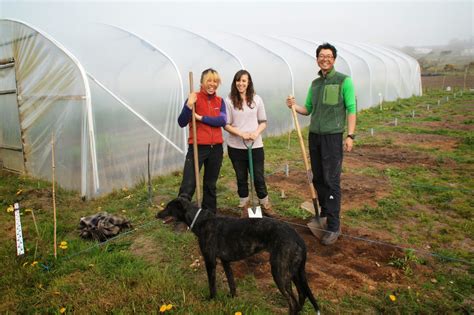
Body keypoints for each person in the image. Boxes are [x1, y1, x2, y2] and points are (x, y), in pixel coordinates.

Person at [286, 43, 356, 245]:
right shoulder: (315, 84)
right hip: (314, 136)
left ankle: (334, 225)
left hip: (333, 138)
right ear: (317, 59)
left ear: (334, 59)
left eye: (329, 56)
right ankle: (324, 215)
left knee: (331, 179)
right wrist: (294, 106)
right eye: (321, 56)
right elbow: (308, 109)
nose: (325, 59)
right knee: (317, 178)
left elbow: (351, 109)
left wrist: (350, 136)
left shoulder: (344, 81)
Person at [224, 70, 274, 218]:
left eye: (244, 81)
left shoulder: (257, 99)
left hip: (255, 145)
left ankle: (265, 204)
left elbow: (263, 122)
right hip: (236, 147)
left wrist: (255, 133)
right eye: (238, 81)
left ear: (249, 82)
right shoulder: (229, 101)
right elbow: (226, 124)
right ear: (235, 82)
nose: (241, 84)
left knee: (258, 177)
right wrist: (242, 134)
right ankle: (244, 205)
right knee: (241, 177)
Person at [177, 68, 226, 213]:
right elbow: (181, 122)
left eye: (215, 81)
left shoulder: (220, 101)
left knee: (210, 184)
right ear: (202, 83)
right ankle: (181, 216)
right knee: (188, 183)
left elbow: (222, 120)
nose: (212, 84)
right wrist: (189, 105)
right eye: (209, 80)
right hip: (197, 147)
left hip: (216, 148)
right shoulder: (194, 98)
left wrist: (200, 118)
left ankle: (209, 213)